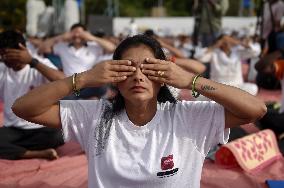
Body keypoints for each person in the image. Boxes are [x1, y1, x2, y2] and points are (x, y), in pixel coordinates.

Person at [12, 35, 266, 188]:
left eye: (148, 68)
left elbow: (256, 109)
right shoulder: (95, 116)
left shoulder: (189, 117)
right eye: (127, 68)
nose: (138, 76)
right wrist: (84, 78)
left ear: (164, 76)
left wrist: (192, 81)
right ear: (113, 77)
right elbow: (23, 108)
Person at [0, 30, 65, 160]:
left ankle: (14, 150)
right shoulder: (2, 68)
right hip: (13, 129)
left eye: (8, 54)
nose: (4, 58)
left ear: (21, 49)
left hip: (41, 129)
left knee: (60, 136)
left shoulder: (39, 63)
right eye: (1, 55)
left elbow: (64, 82)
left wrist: (32, 61)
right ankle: (37, 154)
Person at [39, 23, 116, 99]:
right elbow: (42, 49)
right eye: (73, 33)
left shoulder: (93, 47)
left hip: (88, 84)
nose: (77, 35)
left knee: (102, 88)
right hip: (70, 85)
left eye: (80, 33)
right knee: (64, 97)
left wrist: (92, 37)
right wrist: (61, 36)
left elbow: (113, 48)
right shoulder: (62, 46)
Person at [195, 35, 260, 96]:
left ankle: (229, 98)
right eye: (224, 41)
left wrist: (239, 43)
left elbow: (255, 52)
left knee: (253, 88)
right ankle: (231, 99)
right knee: (196, 93)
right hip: (217, 86)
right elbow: (199, 56)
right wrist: (215, 46)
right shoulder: (214, 52)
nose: (227, 43)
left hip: (237, 86)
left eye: (229, 41)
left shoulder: (238, 51)